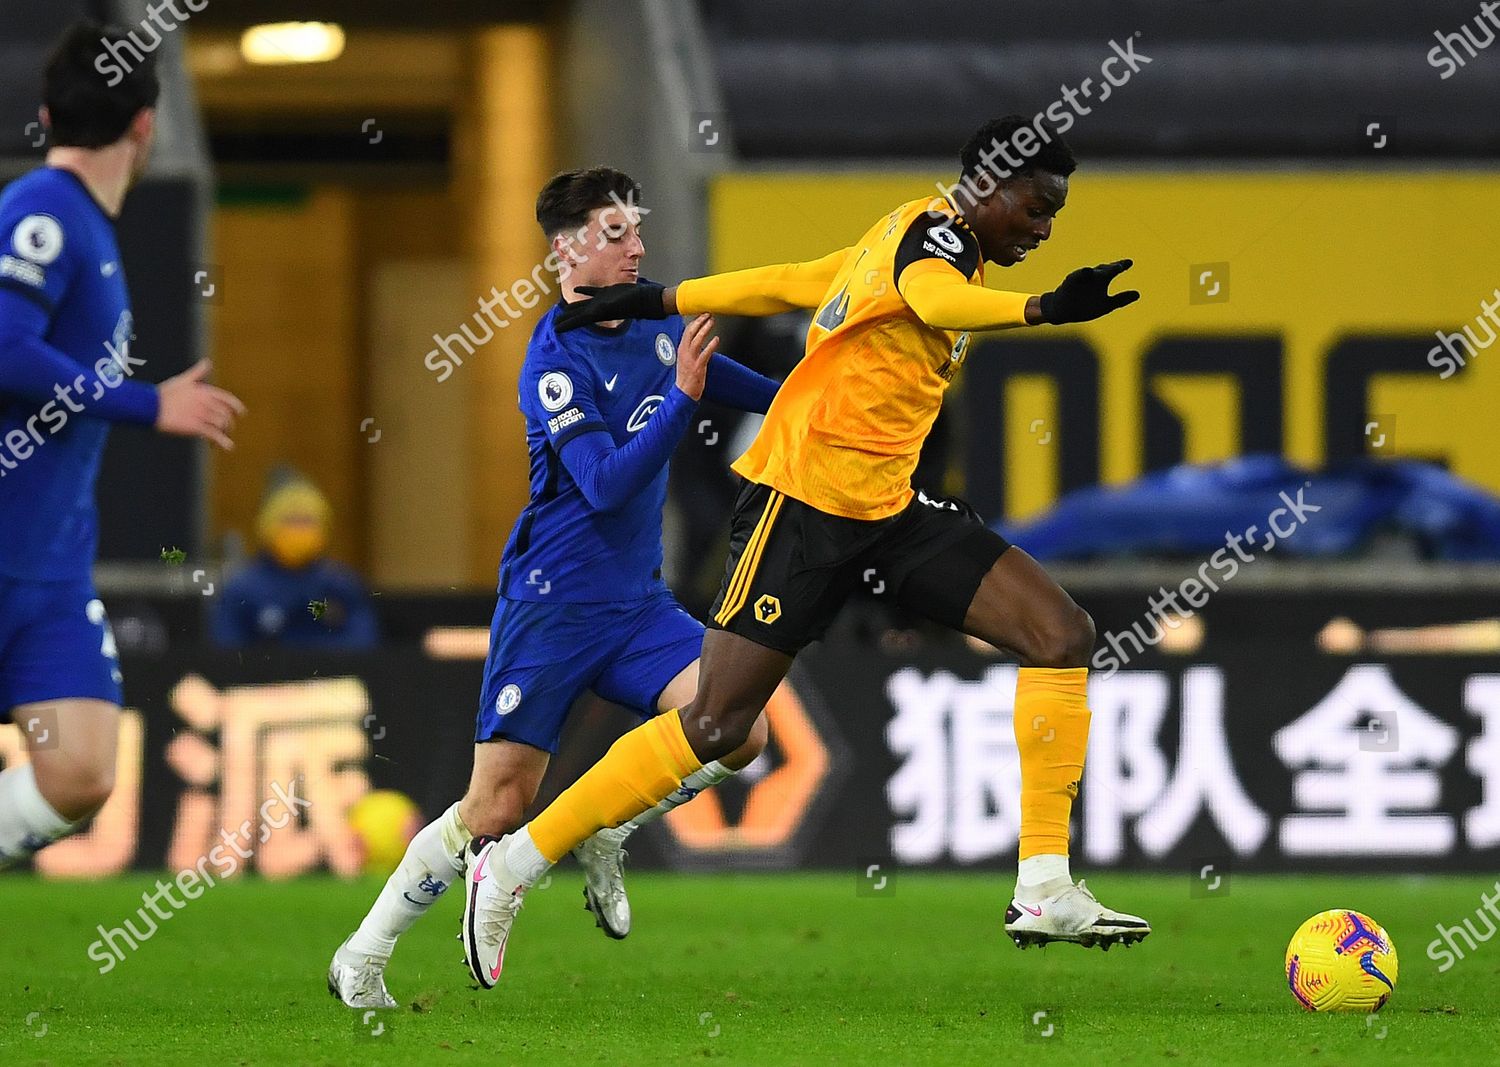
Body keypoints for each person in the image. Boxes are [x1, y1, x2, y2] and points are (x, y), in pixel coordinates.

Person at [460, 115, 1152, 981]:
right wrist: (1044, 308)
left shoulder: (899, 232)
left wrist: (662, 300)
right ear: (990, 184)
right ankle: (516, 861)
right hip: (804, 504)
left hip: (890, 508)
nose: (1045, 228)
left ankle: (1044, 881)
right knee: (717, 722)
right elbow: (935, 301)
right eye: (1038, 207)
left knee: (1062, 634)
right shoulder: (935, 237)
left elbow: (794, 280)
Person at [330, 167, 778, 1007]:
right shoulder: (554, 360)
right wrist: (682, 398)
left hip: (639, 606)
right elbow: (605, 484)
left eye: (637, 228)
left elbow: (755, 393)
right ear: (568, 250)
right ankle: (364, 952)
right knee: (496, 806)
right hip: (552, 608)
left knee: (738, 729)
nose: (639, 244)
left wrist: (827, 393)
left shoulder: (656, 323)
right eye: (617, 232)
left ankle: (607, 824)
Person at [0, 23, 245, 869]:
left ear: (45, 112)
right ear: (145, 126)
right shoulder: (41, 210)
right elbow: (3, 343)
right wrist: (150, 403)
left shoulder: (92, 229)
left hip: (52, 567)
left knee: (80, 771)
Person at [213, 469, 378, 650]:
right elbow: (226, 650)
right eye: (291, 521)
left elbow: (364, 643)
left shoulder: (341, 584)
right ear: (267, 526)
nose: (299, 529)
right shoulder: (241, 589)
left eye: (308, 521)